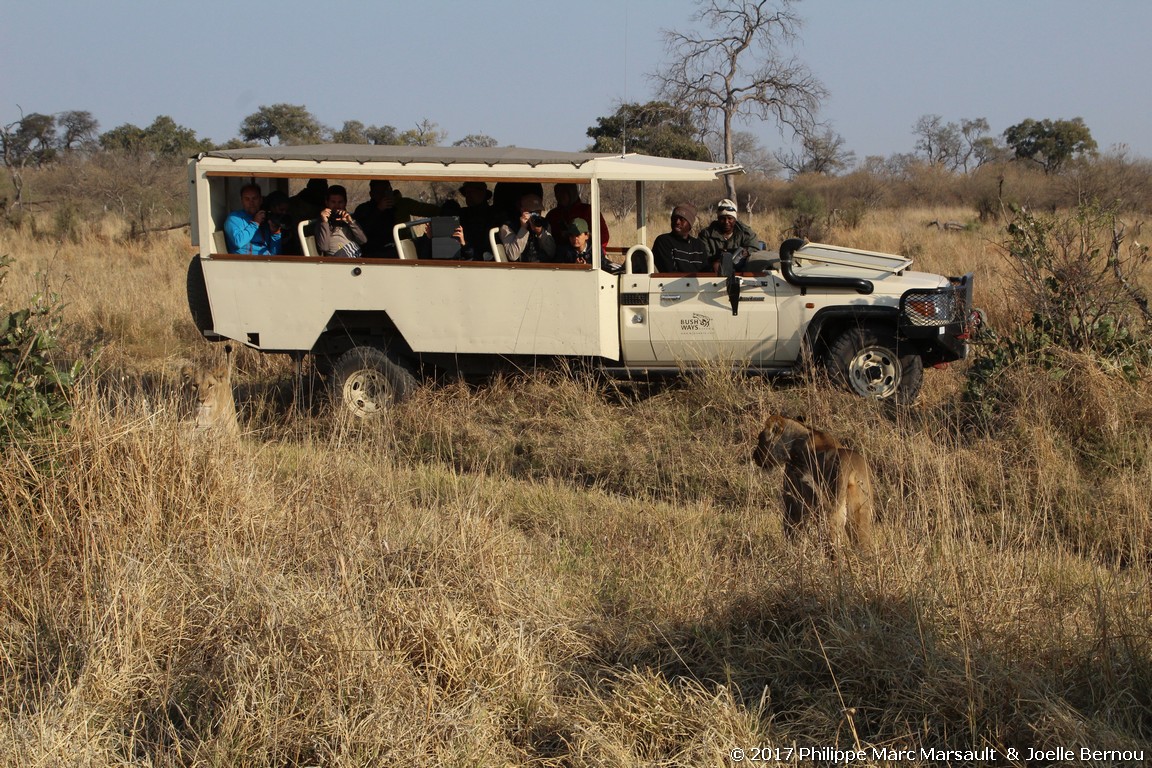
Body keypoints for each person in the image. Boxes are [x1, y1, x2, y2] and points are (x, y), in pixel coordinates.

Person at [352, 179, 442, 257]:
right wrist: (378, 210)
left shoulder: (401, 204)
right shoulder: (363, 209)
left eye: (387, 191)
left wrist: (447, 211)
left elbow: (427, 210)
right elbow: (361, 232)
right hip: (374, 251)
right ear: (371, 194)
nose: (385, 195)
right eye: (380, 193)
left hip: (401, 248)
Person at [699, 198, 762, 268]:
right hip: (713, 272)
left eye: (730, 218)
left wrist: (747, 252)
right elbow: (702, 257)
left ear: (735, 219)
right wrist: (717, 257)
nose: (726, 222)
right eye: (722, 218)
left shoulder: (745, 232)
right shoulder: (706, 234)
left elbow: (756, 250)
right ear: (718, 219)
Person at [545, 183, 609, 249]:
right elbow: (546, 240)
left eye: (563, 193)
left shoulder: (588, 211)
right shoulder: (552, 215)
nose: (560, 196)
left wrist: (587, 251)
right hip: (560, 256)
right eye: (557, 193)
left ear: (571, 193)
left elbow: (603, 237)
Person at [224, 183, 282, 255]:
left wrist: (275, 233)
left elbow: (275, 254)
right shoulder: (234, 218)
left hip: (266, 263)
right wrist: (255, 223)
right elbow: (238, 242)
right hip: (244, 263)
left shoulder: (265, 219)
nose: (251, 202)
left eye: (255, 198)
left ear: (261, 200)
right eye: (247, 199)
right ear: (242, 201)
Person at [650, 203, 709, 272]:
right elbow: (669, 271)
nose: (677, 222)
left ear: (690, 224)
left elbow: (705, 271)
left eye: (682, 219)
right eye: (674, 218)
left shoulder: (699, 245)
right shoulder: (663, 241)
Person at [499, 193, 556, 262]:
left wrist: (540, 232)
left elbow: (551, 253)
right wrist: (523, 229)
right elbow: (512, 255)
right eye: (532, 212)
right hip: (521, 269)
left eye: (538, 211)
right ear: (522, 210)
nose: (536, 215)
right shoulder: (508, 227)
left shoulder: (544, 224)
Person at [316, 185, 367, 258]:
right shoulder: (322, 222)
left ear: (345, 203)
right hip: (337, 260)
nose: (337, 206)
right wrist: (325, 222)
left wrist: (351, 223)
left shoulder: (349, 219)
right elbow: (324, 247)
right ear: (327, 203)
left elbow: (363, 240)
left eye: (340, 202)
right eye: (333, 202)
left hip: (353, 257)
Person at [457, 181, 501, 259]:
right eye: (467, 193)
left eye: (472, 192)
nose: (468, 195)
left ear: (482, 193)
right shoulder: (462, 214)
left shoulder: (493, 215)